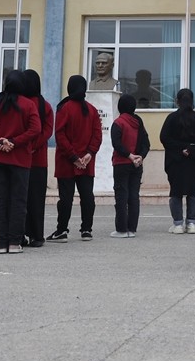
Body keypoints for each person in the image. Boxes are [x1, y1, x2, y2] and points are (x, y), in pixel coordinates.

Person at [0, 70, 40, 254]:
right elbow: (36, 129)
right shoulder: (28, 105)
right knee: (18, 201)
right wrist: (15, 142)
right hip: (21, 159)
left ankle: (1, 244)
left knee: (0, 200)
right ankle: (14, 242)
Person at [50, 75, 102, 241]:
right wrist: (89, 154)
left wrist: (73, 156)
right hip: (87, 162)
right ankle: (86, 230)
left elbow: (60, 135)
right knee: (87, 196)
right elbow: (97, 135)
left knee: (66, 198)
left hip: (67, 161)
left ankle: (62, 230)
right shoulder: (92, 110)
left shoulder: (64, 108)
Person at [159, 88, 195, 234]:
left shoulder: (171, 118)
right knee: (193, 192)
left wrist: (180, 148)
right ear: (193, 101)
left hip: (176, 161)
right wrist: (191, 149)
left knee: (176, 192)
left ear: (177, 101)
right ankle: (191, 224)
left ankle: (178, 224)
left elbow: (164, 138)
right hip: (194, 161)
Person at [21, 69, 55, 248]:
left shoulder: (21, 103)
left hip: (21, 158)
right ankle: (37, 236)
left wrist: (26, 146)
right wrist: (35, 146)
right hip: (39, 160)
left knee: (20, 199)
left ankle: (20, 235)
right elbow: (48, 131)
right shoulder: (45, 105)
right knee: (37, 200)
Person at [110, 93, 149, 239]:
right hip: (137, 164)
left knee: (121, 196)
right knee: (134, 196)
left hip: (121, 163)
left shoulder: (118, 122)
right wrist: (140, 156)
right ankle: (132, 229)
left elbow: (116, 144)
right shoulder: (138, 122)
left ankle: (121, 229)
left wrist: (129, 155)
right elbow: (146, 143)